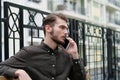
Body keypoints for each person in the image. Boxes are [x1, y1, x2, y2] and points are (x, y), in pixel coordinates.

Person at [0, 13, 86, 80]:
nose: (66, 32)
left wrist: (75, 55)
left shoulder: (66, 56)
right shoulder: (29, 53)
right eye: (62, 27)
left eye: (67, 29)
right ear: (48, 28)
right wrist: (18, 72)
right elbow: (1, 67)